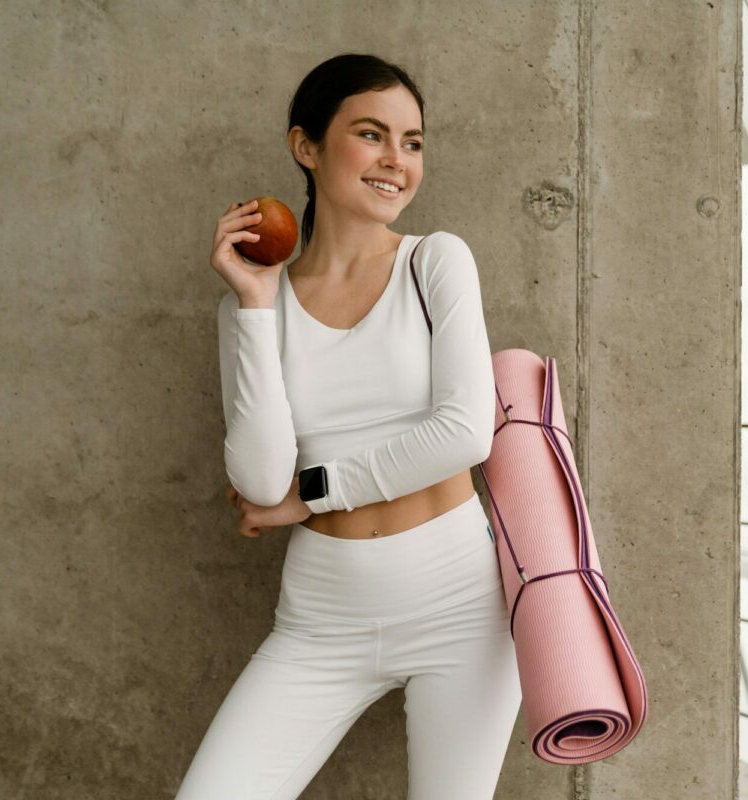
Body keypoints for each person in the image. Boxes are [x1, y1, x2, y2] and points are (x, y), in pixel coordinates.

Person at [174, 53, 522, 800]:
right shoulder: (250, 309)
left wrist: (311, 497)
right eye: (372, 134)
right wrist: (256, 304)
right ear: (307, 146)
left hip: (458, 609)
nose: (397, 161)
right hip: (321, 619)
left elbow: (465, 432)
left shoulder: (437, 262)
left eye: (414, 142)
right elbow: (260, 481)